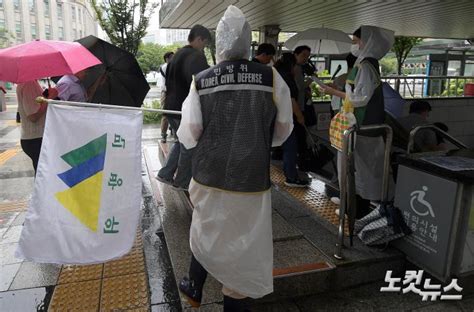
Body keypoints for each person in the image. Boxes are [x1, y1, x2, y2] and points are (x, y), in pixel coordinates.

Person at [176, 5, 293, 311]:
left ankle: (194, 286)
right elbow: (282, 129)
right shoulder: (271, 77)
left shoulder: (201, 80)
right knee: (244, 242)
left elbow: (192, 132)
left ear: (220, 43)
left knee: (206, 228)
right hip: (251, 177)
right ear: (247, 42)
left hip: (208, 173)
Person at [321, 26, 395, 218]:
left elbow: (359, 98)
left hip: (363, 128)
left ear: (368, 42)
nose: (354, 45)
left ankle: (355, 210)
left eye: (356, 41)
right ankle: (349, 201)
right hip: (360, 126)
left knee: (361, 171)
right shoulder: (366, 64)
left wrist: (333, 92)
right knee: (352, 168)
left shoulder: (366, 67)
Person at [156, 24, 211, 191]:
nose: (204, 47)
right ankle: (182, 181)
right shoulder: (196, 56)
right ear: (199, 38)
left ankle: (165, 174)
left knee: (181, 141)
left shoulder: (178, 53)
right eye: (205, 43)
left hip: (171, 107)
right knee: (189, 145)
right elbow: (201, 83)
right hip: (183, 109)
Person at [274, 52, 309, 187]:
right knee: (290, 147)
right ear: (291, 64)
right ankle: (291, 178)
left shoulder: (274, 73)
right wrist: (300, 116)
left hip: (272, 115)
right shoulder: (287, 77)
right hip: (285, 117)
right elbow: (291, 99)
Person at [16, 81, 57, 174]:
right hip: (35, 139)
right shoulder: (29, 83)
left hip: (35, 138)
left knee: (42, 174)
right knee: (43, 175)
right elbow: (33, 116)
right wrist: (50, 98)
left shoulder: (32, 82)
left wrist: (46, 96)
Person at [159, 51, 175, 143]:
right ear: (167, 59)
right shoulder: (165, 67)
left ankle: (172, 130)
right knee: (165, 114)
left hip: (173, 92)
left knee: (175, 113)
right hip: (166, 92)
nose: (174, 59)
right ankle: (163, 135)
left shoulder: (173, 66)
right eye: (172, 57)